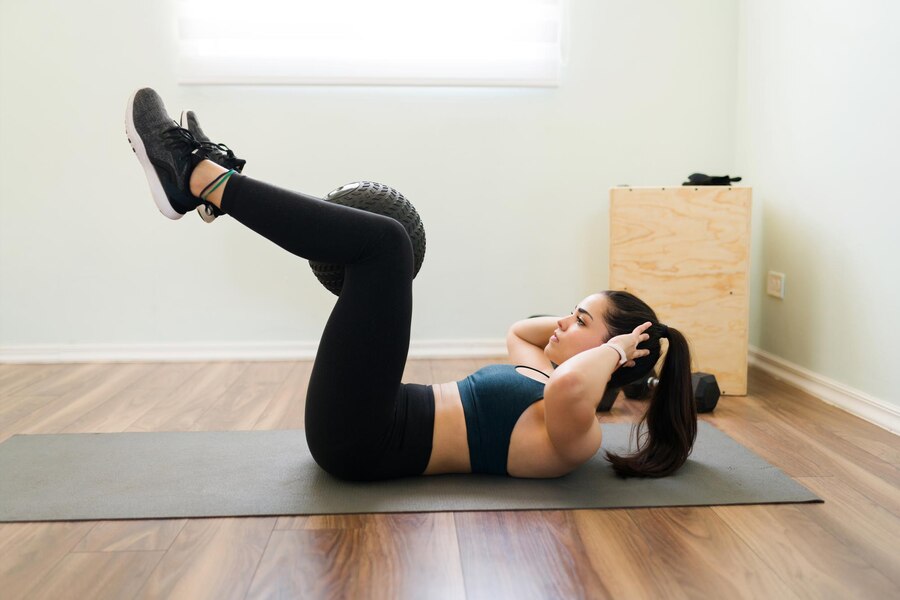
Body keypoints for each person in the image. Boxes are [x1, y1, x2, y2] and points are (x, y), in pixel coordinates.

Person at [125, 88, 698, 481]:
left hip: (363, 439)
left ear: (608, 355)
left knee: (387, 246)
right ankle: (208, 186)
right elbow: (522, 329)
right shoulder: (540, 368)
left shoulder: (578, 433)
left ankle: (199, 176)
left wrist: (620, 349)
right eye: (572, 311)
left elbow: (575, 387)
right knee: (380, 246)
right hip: (371, 415)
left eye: (581, 321)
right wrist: (589, 329)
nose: (564, 321)